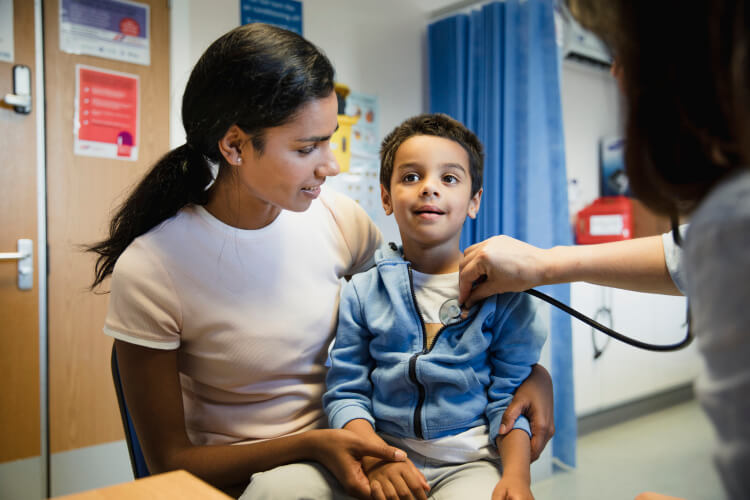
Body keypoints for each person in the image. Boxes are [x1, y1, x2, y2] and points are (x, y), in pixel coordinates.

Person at [87, 23, 555, 498]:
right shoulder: (153, 267)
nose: (331, 166)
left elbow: (413, 310)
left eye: (329, 140)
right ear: (234, 146)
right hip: (260, 477)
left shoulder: (338, 220)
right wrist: (313, 445)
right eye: (306, 147)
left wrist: (533, 376)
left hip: (362, 449)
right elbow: (170, 462)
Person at [459, 2, 750, 499]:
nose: (616, 72)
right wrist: (545, 263)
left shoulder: (734, 221)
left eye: (624, 53)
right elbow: (685, 256)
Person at [323, 114, 546, 500]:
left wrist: (516, 477)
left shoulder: (504, 294)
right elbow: (346, 393)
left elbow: (510, 400)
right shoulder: (362, 291)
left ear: (474, 201)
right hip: (383, 451)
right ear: (386, 197)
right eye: (411, 177)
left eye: (449, 178)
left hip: (470, 462)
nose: (429, 188)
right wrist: (378, 457)